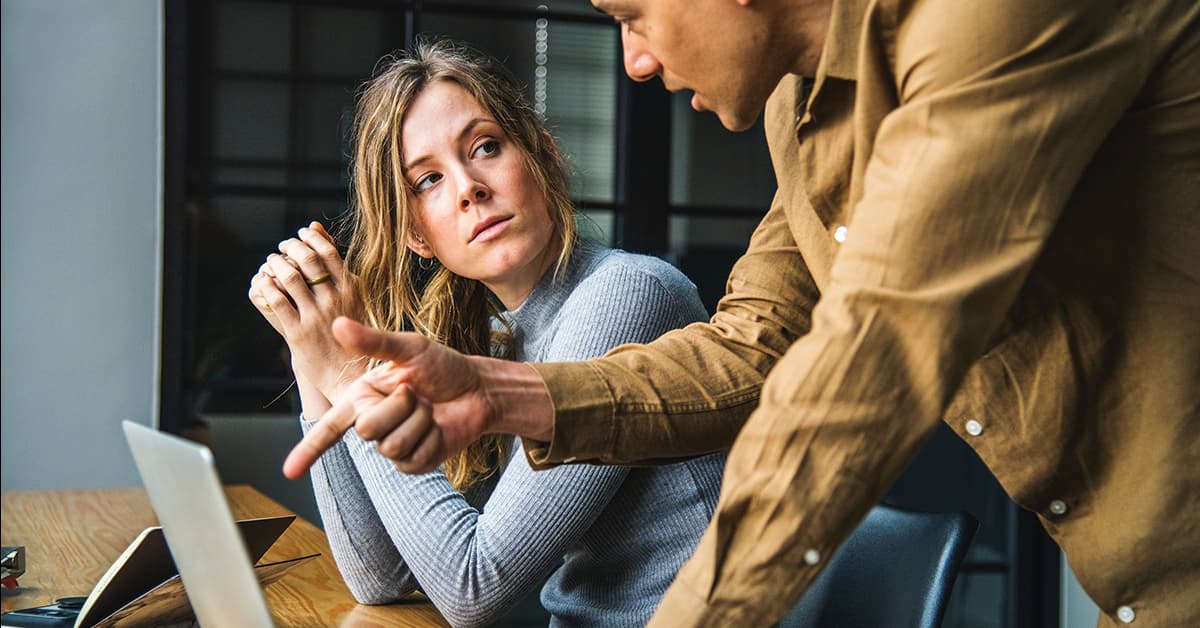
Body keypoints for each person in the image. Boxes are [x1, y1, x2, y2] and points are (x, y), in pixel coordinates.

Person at [286, 1, 1200, 626]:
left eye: (634, 16)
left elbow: (868, 364)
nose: (635, 59)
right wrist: (498, 390)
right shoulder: (802, 113)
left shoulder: (991, 24)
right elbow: (750, 346)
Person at [251, 39, 725, 627]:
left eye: (485, 147)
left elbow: (472, 590)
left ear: (544, 158)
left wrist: (347, 374)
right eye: (427, 180)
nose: (468, 187)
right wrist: (310, 349)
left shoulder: (628, 294)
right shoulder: (497, 335)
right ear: (417, 237)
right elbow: (383, 578)